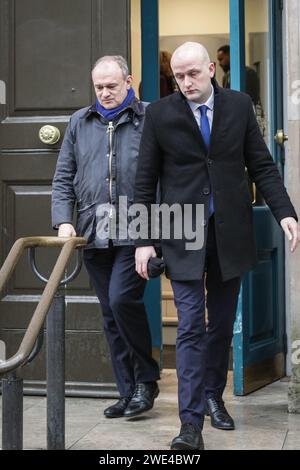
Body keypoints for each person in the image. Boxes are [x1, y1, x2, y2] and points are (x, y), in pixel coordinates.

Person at [134, 42, 299, 450]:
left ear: (210, 69)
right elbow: (143, 181)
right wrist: (142, 240)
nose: (185, 83)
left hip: (231, 233)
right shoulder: (159, 114)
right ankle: (190, 425)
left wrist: (286, 213)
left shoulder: (240, 106)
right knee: (190, 325)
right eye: (178, 77)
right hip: (182, 234)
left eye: (192, 74)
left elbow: (261, 164)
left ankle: (213, 395)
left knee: (222, 325)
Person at [51, 55, 160, 420]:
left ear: (128, 82)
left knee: (121, 300)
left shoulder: (150, 117)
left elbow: (165, 174)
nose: (105, 93)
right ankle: (128, 392)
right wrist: (64, 220)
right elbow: (64, 176)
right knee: (109, 314)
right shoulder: (79, 122)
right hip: (94, 232)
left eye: (112, 85)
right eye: (98, 87)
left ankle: (146, 380)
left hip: (138, 229)